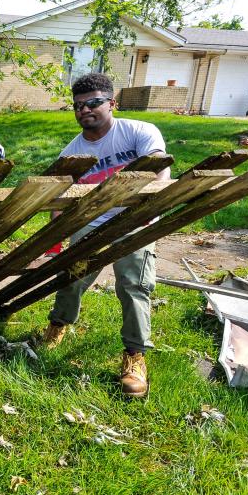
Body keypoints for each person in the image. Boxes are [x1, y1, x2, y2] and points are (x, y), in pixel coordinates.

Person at [42, 72, 170, 399]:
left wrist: (143, 215)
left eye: (94, 103)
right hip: (92, 220)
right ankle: (58, 324)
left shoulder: (140, 132)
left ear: (112, 103)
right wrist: (57, 241)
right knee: (71, 276)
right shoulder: (73, 153)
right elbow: (62, 199)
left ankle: (134, 356)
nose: (85, 110)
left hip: (133, 220)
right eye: (78, 106)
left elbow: (160, 172)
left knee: (133, 285)